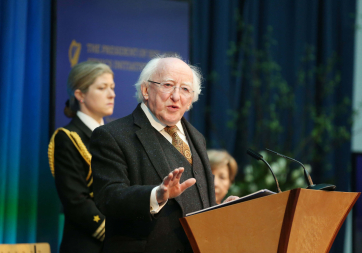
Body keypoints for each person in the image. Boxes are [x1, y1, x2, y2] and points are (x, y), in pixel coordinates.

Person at [90, 55, 217, 253]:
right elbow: (108, 197)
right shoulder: (112, 135)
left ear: (191, 99)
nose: (176, 96)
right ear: (146, 90)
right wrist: (154, 196)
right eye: (168, 85)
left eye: (185, 89)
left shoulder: (197, 137)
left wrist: (220, 209)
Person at [48, 61, 116, 253]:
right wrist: (113, 232)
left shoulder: (115, 136)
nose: (112, 94)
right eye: (102, 88)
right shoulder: (67, 137)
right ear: (80, 95)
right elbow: (76, 200)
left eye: (112, 87)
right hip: (87, 245)